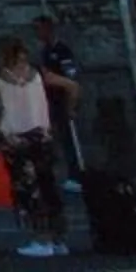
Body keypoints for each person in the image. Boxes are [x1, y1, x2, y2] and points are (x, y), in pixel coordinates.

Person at [0, 36, 73, 257]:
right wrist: (68, 111)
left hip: (16, 138)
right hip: (41, 135)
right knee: (48, 186)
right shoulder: (38, 72)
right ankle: (58, 239)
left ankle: (40, 239)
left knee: (27, 189)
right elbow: (72, 86)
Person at [34, 14, 85, 184]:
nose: (37, 33)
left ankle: (78, 175)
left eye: (39, 28)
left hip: (64, 100)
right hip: (52, 101)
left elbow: (71, 78)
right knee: (61, 139)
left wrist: (72, 104)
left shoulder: (61, 50)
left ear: (48, 28)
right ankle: (71, 173)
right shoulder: (45, 51)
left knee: (71, 139)